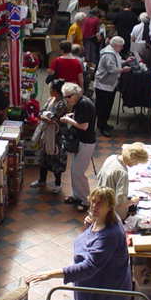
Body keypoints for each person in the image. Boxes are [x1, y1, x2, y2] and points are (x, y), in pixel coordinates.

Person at [26, 187, 132, 300]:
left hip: (101, 297)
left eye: (100, 204)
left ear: (110, 207)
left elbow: (89, 267)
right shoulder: (102, 219)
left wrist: (50, 274)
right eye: (94, 202)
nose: (95, 207)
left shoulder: (109, 235)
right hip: (105, 294)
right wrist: (92, 223)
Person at [60, 83, 96, 212]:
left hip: (86, 142)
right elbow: (80, 118)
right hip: (81, 141)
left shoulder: (83, 104)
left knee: (78, 172)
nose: (67, 99)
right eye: (65, 97)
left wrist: (68, 120)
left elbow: (84, 126)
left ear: (75, 94)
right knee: (74, 170)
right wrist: (71, 116)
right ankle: (77, 196)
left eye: (68, 96)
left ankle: (86, 201)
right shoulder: (80, 102)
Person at [29, 79, 68, 194]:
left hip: (57, 136)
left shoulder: (62, 104)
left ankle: (57, 184)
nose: (50, 90)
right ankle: (42, 180)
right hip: (47, 134)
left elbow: (54, 118)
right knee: (44, 157)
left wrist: (45, 117)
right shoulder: (51, 100)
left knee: (56, 159)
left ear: (56, 91)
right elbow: (42, 112)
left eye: (51, 89)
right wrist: (44, 116)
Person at [96, 143, 148, 220]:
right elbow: (120, 202)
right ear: (132, 159)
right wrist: (133, 201)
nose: (136, 165)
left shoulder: (112, 157)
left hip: (101, 199)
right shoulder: (122, 173)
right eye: (137, 162)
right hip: (111, 211)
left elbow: (99, 176)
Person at [94, 36, 132, 137]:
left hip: (110, 83)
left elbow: (117, 63)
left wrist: (126, 61)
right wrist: (123, 70)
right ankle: (101, 127)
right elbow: (112, 69)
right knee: (103, 107)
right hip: (103, 84)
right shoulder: (108, 55)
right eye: (121, 46)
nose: (122, 48)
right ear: (115, 45)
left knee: (108, 106)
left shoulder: (114, 52)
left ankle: (104, 124)